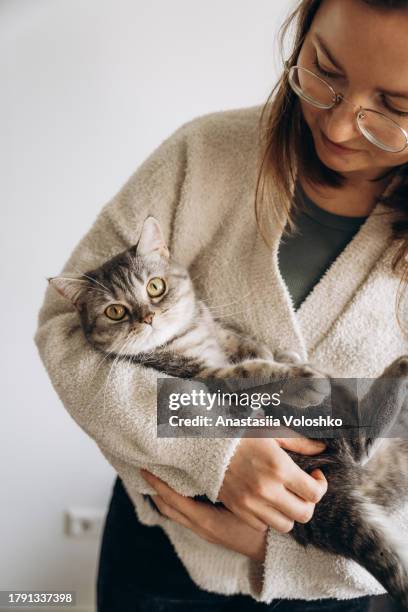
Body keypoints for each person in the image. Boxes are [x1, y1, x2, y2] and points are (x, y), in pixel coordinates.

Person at [34, 0, 408, 610]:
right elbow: (63, 331)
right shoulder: (205, 154)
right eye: (325, 72)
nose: (339, 126)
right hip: (164, 541)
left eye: (395, 108)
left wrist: (281, 551)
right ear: (300, 35)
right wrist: (214, 451)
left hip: (341, 572)